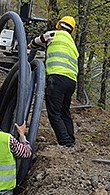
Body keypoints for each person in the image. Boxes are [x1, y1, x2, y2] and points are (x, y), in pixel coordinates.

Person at [29, 15, 79, 148]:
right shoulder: (72, 43)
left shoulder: (53, 34)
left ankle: (65, 143)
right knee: (65, 111)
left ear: (59, 25)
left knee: (54, 113)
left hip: (57, 78)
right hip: (71, 82)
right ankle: (71, 140)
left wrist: (31, 46)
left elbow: (33, 43)